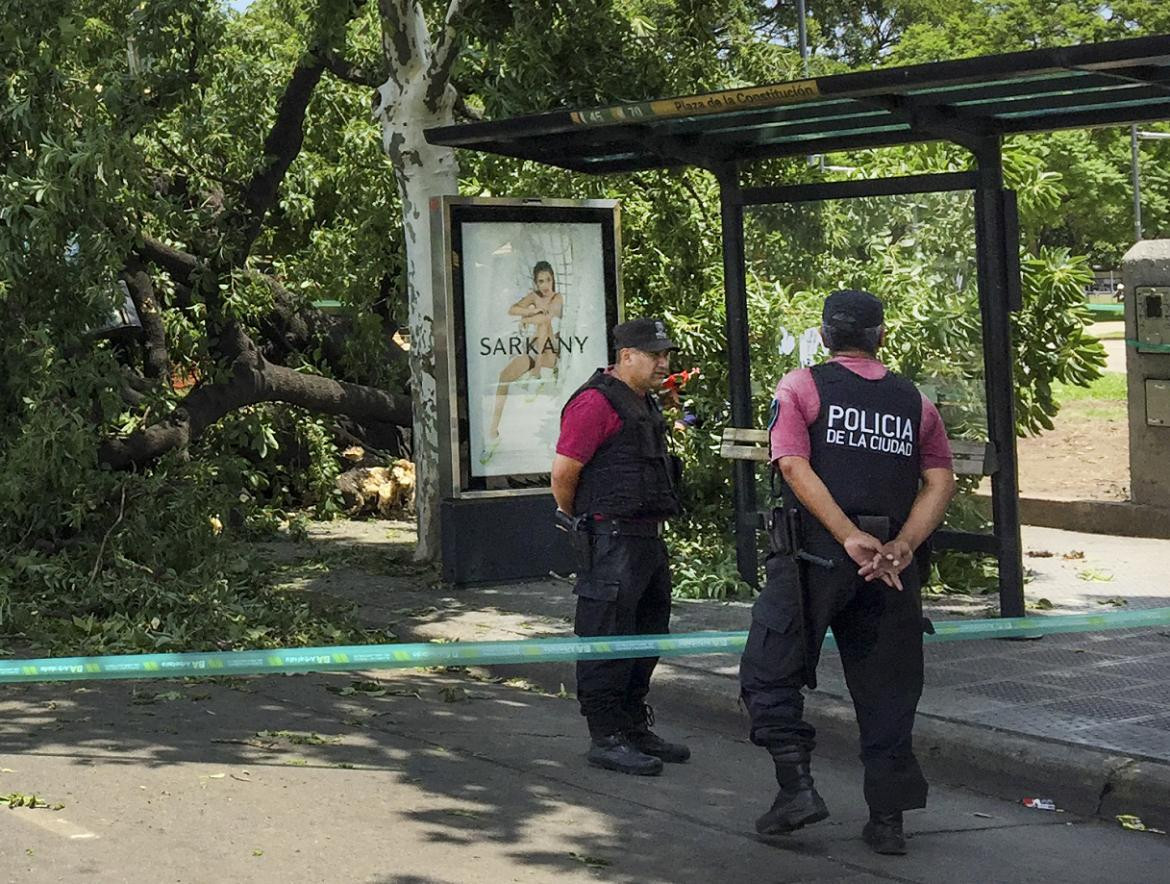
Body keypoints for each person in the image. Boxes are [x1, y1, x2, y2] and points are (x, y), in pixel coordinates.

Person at [738, 289, 956, 855]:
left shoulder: (802, 386)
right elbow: (940, 481)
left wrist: (846, 536)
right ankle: (888, 822)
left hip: (815, 559)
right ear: (881, 336)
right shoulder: (915, 401)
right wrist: (903, 544)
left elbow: (791, 463)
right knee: (888, 690)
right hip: (890, 569)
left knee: (769, 670)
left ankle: (797, 791)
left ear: (825, 336)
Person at [550, 317, 690, 776]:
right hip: (610, 536)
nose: (663, 362)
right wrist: (582, 522)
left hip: (646, 537)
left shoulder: (643, 402)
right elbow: (563, 475)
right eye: (655, 355)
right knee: (605, 637)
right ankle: (605, 735)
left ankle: (632, 724)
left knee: (647, 635)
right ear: (626, 355)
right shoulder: (595, 403)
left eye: (666, 354)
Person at [481, 261, 564, 465]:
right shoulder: (534, 297)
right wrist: (530, 312)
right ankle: (493, 433)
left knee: (544, 324)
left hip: (551, 352)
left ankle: (537, 374)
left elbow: (545, 319)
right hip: (533, 351)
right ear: (536, 282)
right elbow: (512, 309)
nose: (545, 285)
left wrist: (529, 318)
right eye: (540, 281)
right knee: (504, 377)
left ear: (553, 279)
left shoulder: (557, 298)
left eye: (548, 280)